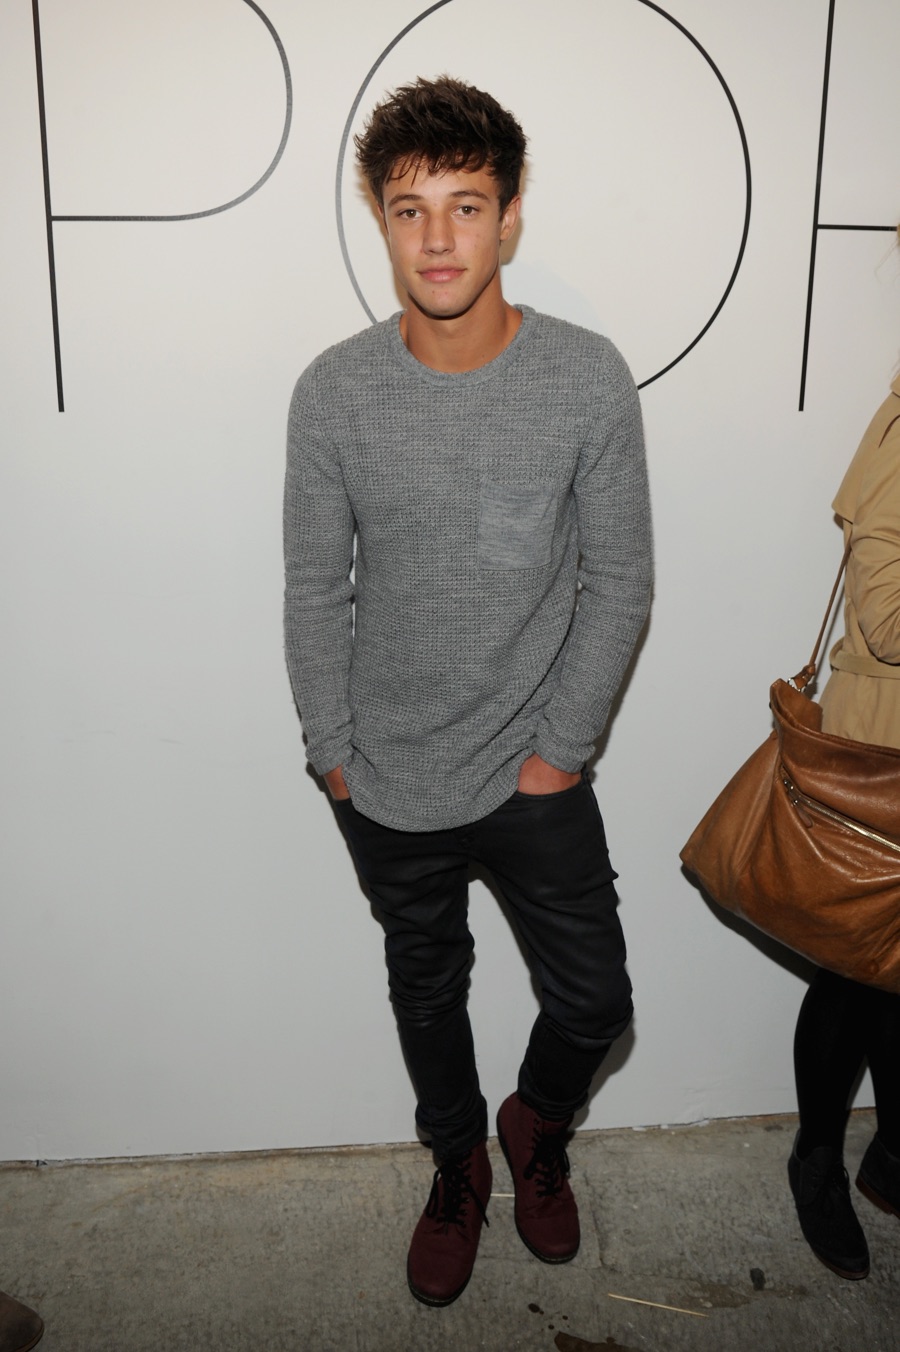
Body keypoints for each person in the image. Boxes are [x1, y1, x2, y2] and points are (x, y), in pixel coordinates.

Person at [283, 76, 652, 1306]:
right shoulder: (333, 391)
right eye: (410, 209)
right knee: (426, 986)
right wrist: (334, 750)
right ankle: (457, 1162)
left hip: (536, 770)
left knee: (594, 997)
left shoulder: (586, 376)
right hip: (385, 774)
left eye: (466, 205)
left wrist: (560, 753)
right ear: (381, 223)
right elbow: (313, 588)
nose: (438, 238)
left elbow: (620, 581)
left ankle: (534, 1122)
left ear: (510, 215)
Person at [788, 328, 900, 1280]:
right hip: (885, 749)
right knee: (858, 973)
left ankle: (894, 1154)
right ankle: (816, 1160)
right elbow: (889, 619)